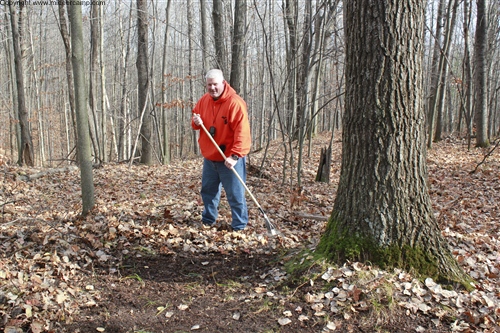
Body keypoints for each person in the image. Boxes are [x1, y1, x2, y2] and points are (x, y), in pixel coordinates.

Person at [191, 69, 251, 231]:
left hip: (230, 159)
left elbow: (242, 133)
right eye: (209, 85)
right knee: (208, 191)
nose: (212, 88)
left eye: (215, 84)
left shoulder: (235, 103)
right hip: (210, 158)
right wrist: (196, 121)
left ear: (223, 83)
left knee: (235, 194)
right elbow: (195, 121)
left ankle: (239, 225)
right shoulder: (204, 101)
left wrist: (235, 155)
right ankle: (208, 220)